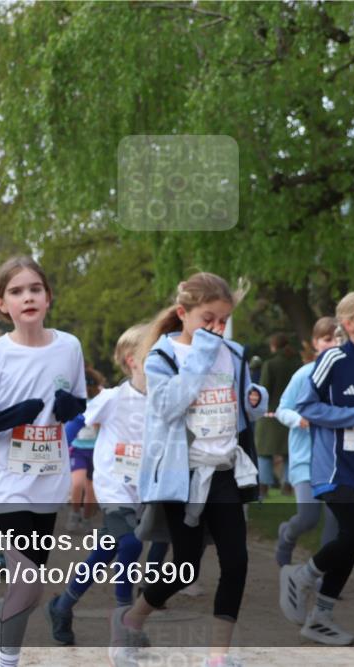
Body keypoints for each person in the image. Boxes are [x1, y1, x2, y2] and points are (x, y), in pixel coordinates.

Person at [109, 272, 268, 667]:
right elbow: (167, 407)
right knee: (183, 569)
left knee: (237, 562)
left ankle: (218, 656)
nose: (216, 329)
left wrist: (255, 397)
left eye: (222, 321)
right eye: (207, 319)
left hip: (225, 472)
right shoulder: (163, 357)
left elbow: (248, 409)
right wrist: (199, 355)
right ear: (183, 313)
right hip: (183, 479)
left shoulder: (234, 353)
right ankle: (131, 619)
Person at [0, 256, 87, 667]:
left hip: (49, 479)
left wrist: (71, 408)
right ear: (2, 304)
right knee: (27, 580)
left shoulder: (69, 346)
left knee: (27, 588)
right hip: (4, 481)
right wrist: (17, 413)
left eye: (34, 289)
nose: (27, 297)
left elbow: (77, 401)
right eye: (16, 291)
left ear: (48, 297)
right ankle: (7, 661)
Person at [278, 291, 354, 646]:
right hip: (331, 468)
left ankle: (321, 619)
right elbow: (307, 407)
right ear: (348, 323)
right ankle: (301, 575)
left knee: (353, 542)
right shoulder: (332, 358)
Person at [46, 323, 149, 645]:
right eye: (153, 354)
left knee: (106, 550)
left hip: (142, 490)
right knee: (131, 544)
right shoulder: (112, 397)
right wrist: (53, 457)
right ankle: (125, 623)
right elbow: (77, 422)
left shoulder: (161, 399)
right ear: (133, 360)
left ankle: (62, 606)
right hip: (113, 486)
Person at [273, 317, 341, 567]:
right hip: (305, 461)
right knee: (309, 518)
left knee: (335, 521)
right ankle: (286, 536)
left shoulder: (346, 377)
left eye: (339, 339)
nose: (334, 344)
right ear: (315, 343)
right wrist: (299, 419)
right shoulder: (304, 374)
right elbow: (282, 410)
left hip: (336, 461)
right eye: (327, 339)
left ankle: (323, 573)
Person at [255, 333, 302, 498]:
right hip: (292, 413)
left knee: (264, 452)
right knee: (289, 452)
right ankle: (287, 484)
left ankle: (263, 487)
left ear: (273, 346)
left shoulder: (270, 364)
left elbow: (263, 390)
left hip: (270, 415)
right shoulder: (298, 364)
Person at [65, 366, 106, 532]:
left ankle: (87, 518)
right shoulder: (74, 401)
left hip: (95, 449)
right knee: (77, 483)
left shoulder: (101, 401)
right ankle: (75, 513)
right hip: (78, 448)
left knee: (92, 488)